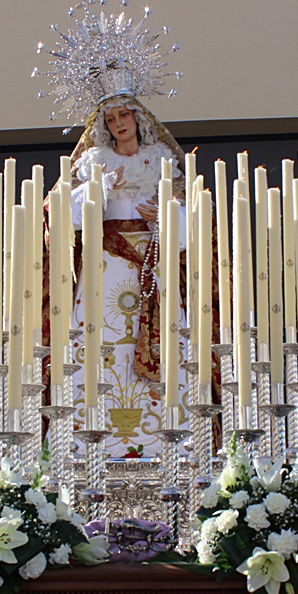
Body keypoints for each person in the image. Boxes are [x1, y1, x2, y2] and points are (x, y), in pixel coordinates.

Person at [58, 94, 188, 458]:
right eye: (111, 118)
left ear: (138, 118)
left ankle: (163, 443)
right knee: (100, 343)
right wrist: (100, 188)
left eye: (125, 114)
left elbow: (189, 224)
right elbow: (65, 215)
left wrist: (161, 217)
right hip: (105, 267)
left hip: (152, 263)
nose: (119, 123)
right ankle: (94, 442)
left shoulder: (163, 162)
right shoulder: (94, 163)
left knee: (164, 338)